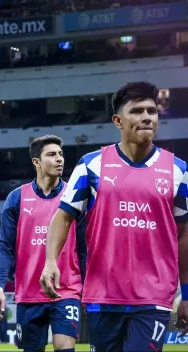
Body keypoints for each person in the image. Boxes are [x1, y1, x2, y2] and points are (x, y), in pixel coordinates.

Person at [40, 81, 188, 352]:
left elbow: (184, 235)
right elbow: (62, 218)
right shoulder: (91, 165)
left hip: (153, 298)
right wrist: (51, 261)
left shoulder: (178, 171)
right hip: (103, 295)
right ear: (118, 121)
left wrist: (187, 294)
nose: (146, 117)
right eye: (137, 111)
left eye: (152, 111)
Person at [0, 135, 85, 352]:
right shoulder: (16, 199)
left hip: (67, 290)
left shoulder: (74, 196)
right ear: (37, 162)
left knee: (65, 347)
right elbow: (5, 248)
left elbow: (84, 247)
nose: (59, 159)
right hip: (29, 293)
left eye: (61, 154)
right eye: (51, 155)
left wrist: (88, 288)